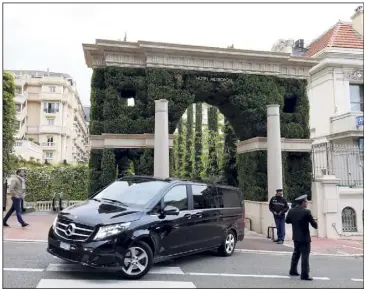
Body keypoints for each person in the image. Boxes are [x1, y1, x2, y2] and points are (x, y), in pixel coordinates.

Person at [285, 194, 318, 281]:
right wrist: (315, 223)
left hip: (296, 236)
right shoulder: (306, 212)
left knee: (296, 253)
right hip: (304, 237)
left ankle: (293, 270)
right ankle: (304, 275)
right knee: (305, 256)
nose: (307, 203)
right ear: (303, 202)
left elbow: (287, 221)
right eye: (306, 201)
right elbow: (314, 224)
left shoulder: (291, 211)